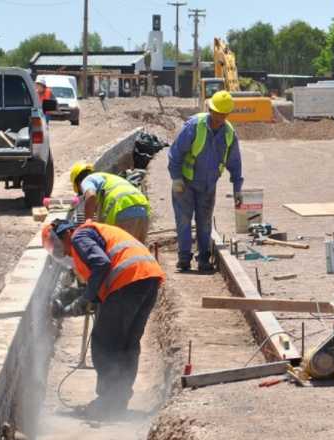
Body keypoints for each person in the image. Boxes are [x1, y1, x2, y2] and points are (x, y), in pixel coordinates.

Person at [42, 218, 164, 418]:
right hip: (147, 279)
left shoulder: (79, 236)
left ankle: (107, 404)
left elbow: (101, 263)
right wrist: (78, 301)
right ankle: (118, 401)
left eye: (57, 246)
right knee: (127, 345)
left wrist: (85, 298)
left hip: (128, 281)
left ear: (65, 234)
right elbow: (100, 287)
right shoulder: (94, 234)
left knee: (104, 342)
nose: (61, 252)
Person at [167, 90, 243, 272]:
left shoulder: (229, 133)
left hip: (208, 185)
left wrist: (237, 189)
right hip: (185, 183)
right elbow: (175, 153)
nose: (218, 118)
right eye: (216, 113)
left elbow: (235, 162)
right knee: (184, 220)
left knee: (205, 221)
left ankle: (203, 259)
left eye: (222, 115)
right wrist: (176, 178)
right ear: (210, 109)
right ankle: (184, 258)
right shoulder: (195, 126)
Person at [70, 162, 152, 242]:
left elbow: (91, 196)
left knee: (120, 252)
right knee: (138, 252)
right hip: (143, 209)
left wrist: (87, 223)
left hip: (122, 209)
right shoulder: (108, 178)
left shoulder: (87, 180)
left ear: (78, 183)